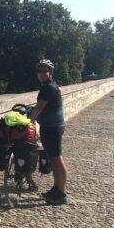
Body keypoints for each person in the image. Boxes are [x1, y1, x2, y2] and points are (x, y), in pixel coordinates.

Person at [29, 59, 67, 205]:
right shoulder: (50, 86)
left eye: (44, 71)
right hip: (53, 126)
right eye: (39, 71)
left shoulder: (48, 88)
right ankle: (57, 188)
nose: (41, 73)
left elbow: (39, 107)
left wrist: (29, 121)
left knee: (57, 159)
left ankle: (60, 193)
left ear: (50, 72)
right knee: (54, 158)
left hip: (52, 127)